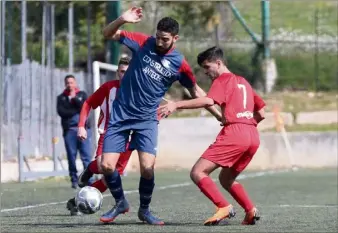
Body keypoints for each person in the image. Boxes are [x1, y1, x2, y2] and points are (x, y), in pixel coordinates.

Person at [99, 7, 223, 225]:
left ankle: (144, 210)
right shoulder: (143, 42)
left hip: (147, 119)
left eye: (164, 39)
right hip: (121, 114)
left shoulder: (179, 63)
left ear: (175, 38)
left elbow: (195, 91)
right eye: (157, 37)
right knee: (107, 166)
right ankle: (120, 203)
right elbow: (107, 34)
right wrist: (122, 19)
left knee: (147, 167)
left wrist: (218, 115)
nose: (159, 42)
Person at [158, 46, 266, 226]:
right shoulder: (244, 82)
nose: (206, 72)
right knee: (226, 179)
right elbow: (261, 113)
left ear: (219, 63)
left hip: (235, 134)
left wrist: (176, 105)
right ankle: (250, 210)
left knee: (198, 172)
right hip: (252, 135)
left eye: (207, 67)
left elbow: (208, 100)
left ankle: (223, 206)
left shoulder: (223, 79)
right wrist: (245, 121)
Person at [66, 57, 133, 216]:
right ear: (118, 73)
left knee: (109, 179)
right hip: (108, 133)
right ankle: (90, 168)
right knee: (105, 166)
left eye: (129, 72)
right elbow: (88, 103)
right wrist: (81, 126)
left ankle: (77, 202)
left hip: (130, 139)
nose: (125, 75)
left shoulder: (139, 90)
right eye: (122, 72)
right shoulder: (108, 88)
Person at [57, 75, 92, 189]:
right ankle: (74, 179)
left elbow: (85, 108)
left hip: (84, 131)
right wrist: (75, 108)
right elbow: (62, 112)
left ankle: (89, 180)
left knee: (86, 157)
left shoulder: (82, 95)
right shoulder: (61, 98)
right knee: (71, 157)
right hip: (70, 132)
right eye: (67, 83)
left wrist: (74, 99)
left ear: (75, 83)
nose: (69, 85)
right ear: (65, 84)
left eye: (71, 82)